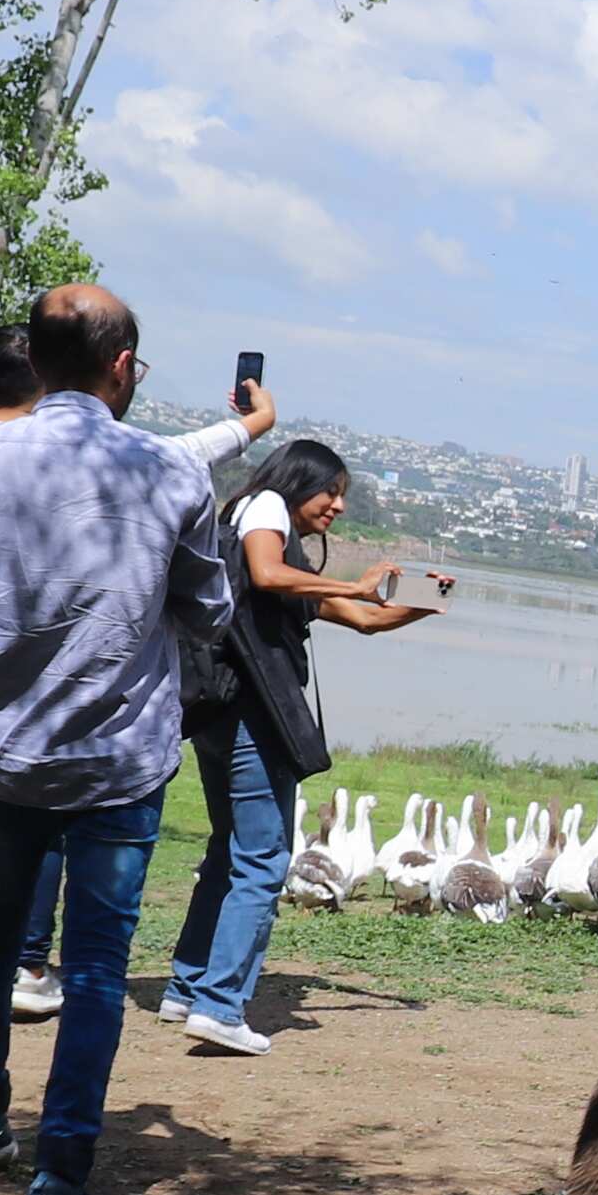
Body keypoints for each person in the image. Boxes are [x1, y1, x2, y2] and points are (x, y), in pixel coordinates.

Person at [0, 327, 274, 1040]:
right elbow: (189, 456)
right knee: (43, 815)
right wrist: (256, 421)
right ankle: (29, 970)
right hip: (37, 666)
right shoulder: (115, 461)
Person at [0, 281, 234, 1195]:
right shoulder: (173, 474)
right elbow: (211, 610)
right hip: (120, 763)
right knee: (97, 967)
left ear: (35, 357)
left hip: (2, 751)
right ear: (122, 367)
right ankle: (60, 1178)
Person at [159, 439, 432, 1056]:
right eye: (330, 491)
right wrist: (358, 585)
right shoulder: (265, 511)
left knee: (230, 851)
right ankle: (221, 1005)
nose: (336, 505)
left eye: (342, 495)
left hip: (219, 712)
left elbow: (360, 620)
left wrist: (421, 606)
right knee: (263, 857)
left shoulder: (271, 536)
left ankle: (186, 986)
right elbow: (267, 572)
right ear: (295, 481)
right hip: (252, 715)